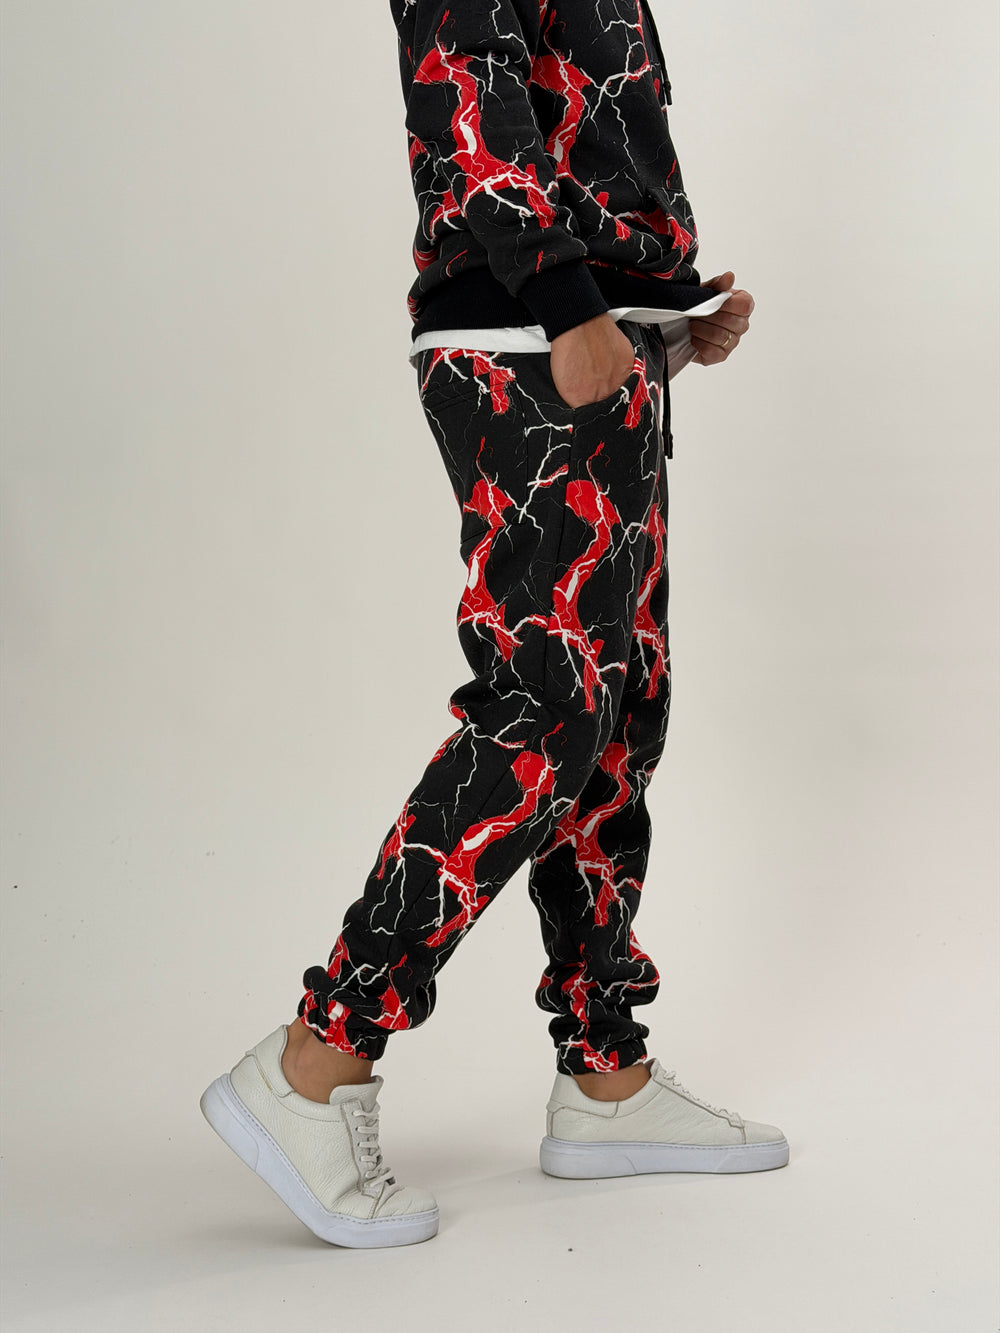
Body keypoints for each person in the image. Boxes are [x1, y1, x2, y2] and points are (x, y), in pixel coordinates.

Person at [200, 0, 787, 1249]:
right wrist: (570, 299)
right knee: (544, 711)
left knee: (620, 715)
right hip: (523, 331)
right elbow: (464, 78)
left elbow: (583, 104)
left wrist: (657, 310)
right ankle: (318, 1056)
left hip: (589, 332)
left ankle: (606, 1075)